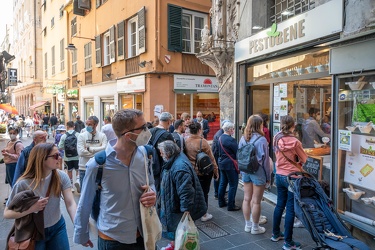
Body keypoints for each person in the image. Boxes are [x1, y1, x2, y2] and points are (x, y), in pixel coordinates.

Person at [74, 109, 156, 249]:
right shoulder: (98, 164)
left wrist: (153, 194)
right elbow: (85, 201)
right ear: (128, 135)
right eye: (143, 128)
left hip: (144, 233)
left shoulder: (144, 155)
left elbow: (152, 183)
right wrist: (81, 234)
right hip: (112, 239)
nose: (147, 131)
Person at [4, 143, 77, 249]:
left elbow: (70, 203)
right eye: (56, 155)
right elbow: (7, 213)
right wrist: (32, 209)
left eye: (60, 154)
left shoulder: (61, 176)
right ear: (42, 159)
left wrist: (77, 225)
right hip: (34, 232)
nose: (60, 158)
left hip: (58, 227)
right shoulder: (23, 183)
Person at [157, 140, 207, 247]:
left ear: (169, 153)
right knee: (177, 232)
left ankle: (178, 246)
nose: (160, 154)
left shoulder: (179, 167)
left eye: (161, 152)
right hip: (174, 205)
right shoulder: (175, 160)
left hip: (178, 209)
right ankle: (174, 245)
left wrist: (186, 211)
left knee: (179, 231)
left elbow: (186, 191)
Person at [272, 115, 308, 250]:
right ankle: (288, 242)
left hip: (279, 174)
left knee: (279, 204)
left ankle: (275, 234)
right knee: (291, 208)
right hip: (292, 176)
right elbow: (304, 159)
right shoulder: (295, 142)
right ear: (293, 126)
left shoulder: (276, 138)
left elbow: (276, 154)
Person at [239, 115, 271, 234]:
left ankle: (248, 225)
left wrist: (242, 172)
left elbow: (240, 156)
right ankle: (255, 228)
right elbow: (265, 161)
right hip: (258, 172)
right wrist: (268, 177)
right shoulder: (262, 140)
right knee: (256, 201)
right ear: (260, 125)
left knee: (246, 198)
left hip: (246, 170)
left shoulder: (243, 138)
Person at [185, 122, 219, 221]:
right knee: (204, 193)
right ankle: (204, 214)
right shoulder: (203, 142)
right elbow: (211, 159)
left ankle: (193, 212)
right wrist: (216, 172)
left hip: (192, 172)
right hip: (203, 173)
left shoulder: (186, 141)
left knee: (193, 192)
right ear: (199, 130)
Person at [77, 116, 107, 192]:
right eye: (86, 124)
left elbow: (105, 149)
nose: (87, 126)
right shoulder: (81, 136)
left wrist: (90, 149)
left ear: (96, 125)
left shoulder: (102, 136)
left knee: (98, 193)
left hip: (98, 167)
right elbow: (81, 152)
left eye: (90, 124)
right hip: (84, 167)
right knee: (84, 192)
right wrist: (98, 154)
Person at [217, 122, 241, 211]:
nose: (233, 130)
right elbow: (237, 151)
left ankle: (221, 202)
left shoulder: (220, 138)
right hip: (230, 165)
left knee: (223, 183)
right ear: (230, 129)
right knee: (233, 185)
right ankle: (231, 205)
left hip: (222, 163)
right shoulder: (231, 140)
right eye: (233, 129)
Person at [149, 112, 175, 192]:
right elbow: (171, 154)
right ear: (168, 122)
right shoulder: (167, 135)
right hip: (162, 168)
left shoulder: (149, 131)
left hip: (150, 166)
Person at [59, 121, 80, 193]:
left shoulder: (64, 136)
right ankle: (78, 182)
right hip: (77, 156)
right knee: (78, 170)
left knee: (69, 171)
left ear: (67, 126)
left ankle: (71, 187)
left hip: (67, 157)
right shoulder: (78, 135)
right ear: (74, 126)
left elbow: (60, 147)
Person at [211, 119, 229, 199]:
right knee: (218, 177)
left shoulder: (220, 133)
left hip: (218, 157)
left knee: (219, 176)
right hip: (218, 158)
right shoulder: (220, 135)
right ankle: (217, 193)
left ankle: (218, 192)